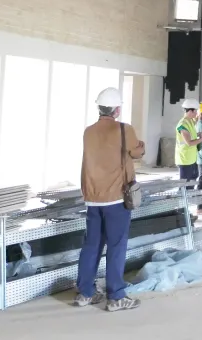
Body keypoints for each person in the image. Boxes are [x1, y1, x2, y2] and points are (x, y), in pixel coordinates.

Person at [75, 87, 144, 312]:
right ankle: (116, 296)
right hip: (116, 198)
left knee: (91, 245)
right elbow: (137, 153)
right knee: (116, 246)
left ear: (99, 108)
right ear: (117, 109)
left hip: (93, 198)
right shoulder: (124, 129)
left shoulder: (88, 132)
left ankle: (85, 293)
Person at [176, 98, 202, 215]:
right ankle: (180, 212)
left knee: (190, 186)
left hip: (191, 159)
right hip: (184, 160)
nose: (197, 113)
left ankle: (185, 213)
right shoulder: (182, 124)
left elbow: (193, 135)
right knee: (184, 188)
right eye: (195, 111)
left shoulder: (190, 122)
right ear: (190, 111)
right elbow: (189, 142)